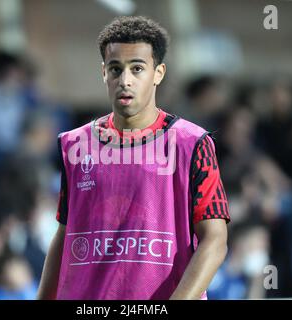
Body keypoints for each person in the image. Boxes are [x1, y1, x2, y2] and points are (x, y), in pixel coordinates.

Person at [37, 16, 230, 300]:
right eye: (116, 69)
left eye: (137, 68)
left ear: (158, 73)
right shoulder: (74, 145)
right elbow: (65, 234)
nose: (125, 80)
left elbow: (214, 240)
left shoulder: (193, 144)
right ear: (104, 72)